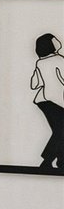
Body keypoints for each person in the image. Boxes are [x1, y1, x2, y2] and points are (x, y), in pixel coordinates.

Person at [32, 33, 64, 173]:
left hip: (44, 102)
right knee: (60, 131)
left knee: (60, 131)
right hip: (57, 102)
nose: (58, 41)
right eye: (54, 39)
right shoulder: (59, 60)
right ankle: (47, 160)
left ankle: (61, 162)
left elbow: (35, 84)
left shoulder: (40, 62)